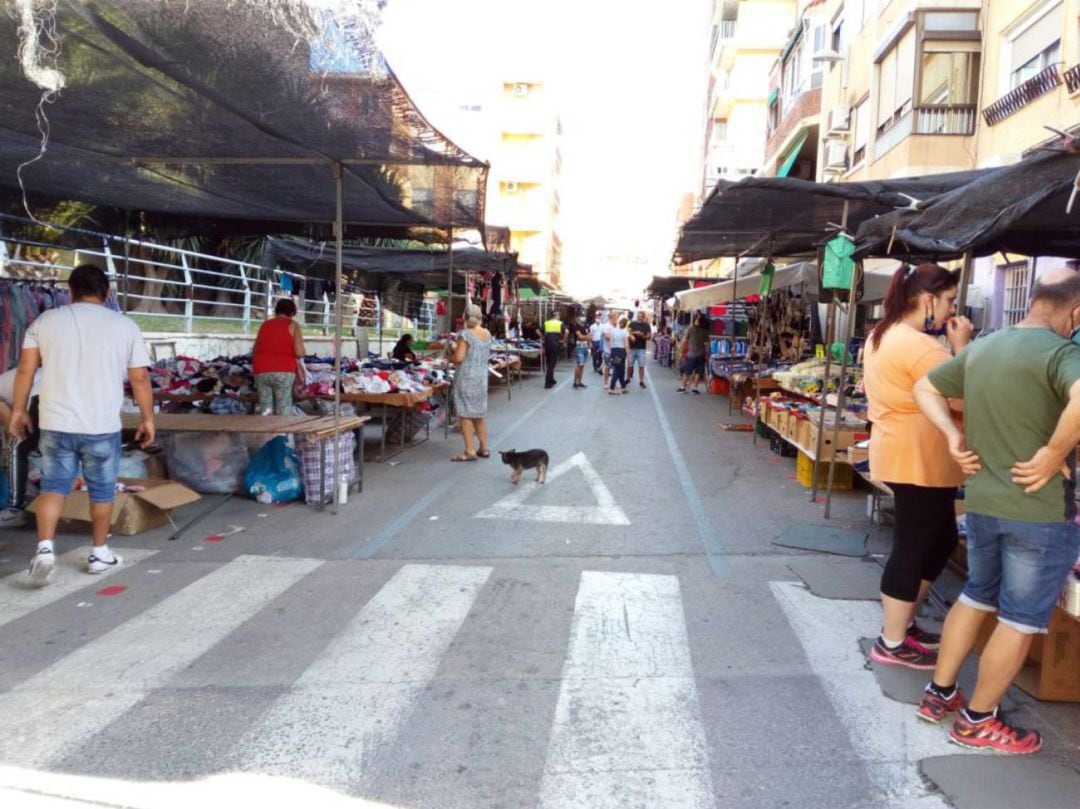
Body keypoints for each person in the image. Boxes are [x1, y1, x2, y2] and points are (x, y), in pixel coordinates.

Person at [910, 268, 1080, 754]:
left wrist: (952, 435)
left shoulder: (982, 347)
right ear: (1075, 312)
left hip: (983, 500)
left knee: (976, 595)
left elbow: (925, 387)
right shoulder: (1061, 354)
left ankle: (939, 692)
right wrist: (1052, 454)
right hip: (1039, 511)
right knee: (1021, 617)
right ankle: (978, 719)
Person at [7, 264, 154, 586]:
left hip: (56, 422)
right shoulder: (124, 326)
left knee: (53, 487)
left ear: (70, 292)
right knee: (101, 492)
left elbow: (25, 372)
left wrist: (18, 411)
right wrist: (147, 418)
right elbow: (139, 378)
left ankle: (44, 549)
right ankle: (99, 553)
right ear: (107, 293)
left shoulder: (46, 321)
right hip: (101, 424)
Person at [863, 264, 972, 670]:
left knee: (938, 539)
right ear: (928, 300)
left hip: (908, 453)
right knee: (913, 546)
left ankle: (902, 623)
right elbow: (962, 397)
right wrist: (962, 348)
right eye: (948, 301)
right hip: (917, 458)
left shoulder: (884, 335)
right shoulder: (920, 346)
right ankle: (892, 641)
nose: (952, 312)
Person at [450, 304, 492, 461]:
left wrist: (451, 356)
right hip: (481, 378)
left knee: (465, 413)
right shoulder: (487, 334)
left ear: (465, 317)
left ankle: (469, 450)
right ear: (480, 317)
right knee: (479, 413)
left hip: (466, 377)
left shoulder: (465, 334)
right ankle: (484, 448)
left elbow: (459, 358)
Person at [0, 367, 42, 527]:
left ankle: (14, 510)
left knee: (18, 446)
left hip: (39, 393)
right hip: (57, 391)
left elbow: (12, 424)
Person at [252, 298, 306, 416]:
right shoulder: (293, 325)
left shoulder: (265, 324)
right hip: (283, 371)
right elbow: (300, 352)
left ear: (276, 311)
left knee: (266, 409)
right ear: (292, 313)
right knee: (283, 409)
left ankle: (267, 433)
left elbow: (255, 349)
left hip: (261, 370)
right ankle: (282, 433)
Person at [677, 314, 709, 394]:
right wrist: (706, 354)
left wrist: (681, 351)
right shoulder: (704, 331)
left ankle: (683, 387)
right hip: (701, 354)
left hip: (692, 354)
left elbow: (684, 340)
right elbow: (707, 344)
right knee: (698, 372)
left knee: (687, 371)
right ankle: (694, 388)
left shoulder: (690, 329)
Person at [627, 311, 652, 389]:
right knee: (630, 365)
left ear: (643, 317)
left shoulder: (646, 325)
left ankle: (641, 381)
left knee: (641, 365)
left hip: (641, 348)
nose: (639, 317)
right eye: (638, 316)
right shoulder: (632, 323)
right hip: (632, 347)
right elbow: (627, 332)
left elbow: (649, 336)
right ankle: (627, 379)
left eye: (641, 316)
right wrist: (635, 333)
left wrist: (642, 336)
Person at [542, 310, 567, 389]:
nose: (559, 316)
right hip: (555, 345)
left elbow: (537, 330)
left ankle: (552, 379)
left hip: (547, 345)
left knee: (549, 362)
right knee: (551, 365)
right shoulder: (560, 323)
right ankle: (547, 383)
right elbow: (567, 331)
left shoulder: (546, 323)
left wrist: (543, 337)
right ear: (556, 315)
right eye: (559, 315)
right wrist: (563, 339)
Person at [608, 316, 631, 395]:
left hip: (614, 351)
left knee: (621, 370)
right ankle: (611, 388)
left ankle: (623, 387)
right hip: (621, 351)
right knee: (618, 370)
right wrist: (628, 355)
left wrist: (611, 351)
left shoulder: (613, 330)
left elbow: (610, 341)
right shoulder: (625, 332)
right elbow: (626, 344)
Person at [572, 317, 591, 389]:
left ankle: (579, 382)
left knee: (582, 365)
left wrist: (588, 342)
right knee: (579, 364)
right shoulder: (576, 327)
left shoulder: (585, 327)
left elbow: (586, 337)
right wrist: (588, 336)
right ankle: (575, 382)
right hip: (579, 347)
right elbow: (580, 336)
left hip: (585, 347)